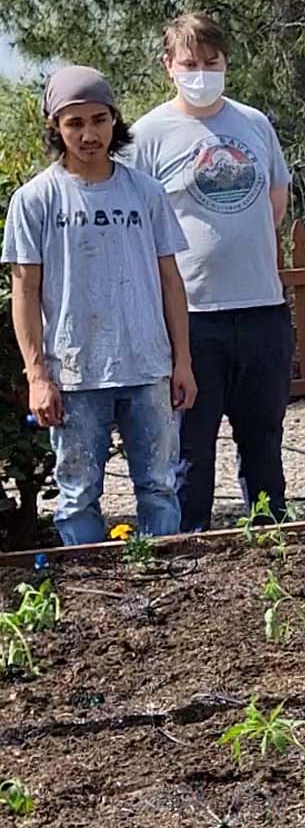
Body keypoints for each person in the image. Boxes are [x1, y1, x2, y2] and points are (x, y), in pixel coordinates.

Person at [3, 66, 196, 546]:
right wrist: (37, 376)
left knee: (159, 489)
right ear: (55, 127)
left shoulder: (145, 193)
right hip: (74, 374)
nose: (88, 134)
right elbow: (24, 292)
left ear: (114, 121)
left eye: (98, 119)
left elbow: (171, 280)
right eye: (74, 123)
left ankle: (164, 585)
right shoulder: (35, 201)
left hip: (147, 367)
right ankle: (92, 595)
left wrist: (182, 362)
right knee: (77, 496)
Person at [128, 10, 292, 529]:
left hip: (262, 308)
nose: (201, 72)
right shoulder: (147, 134)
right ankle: (192, 543)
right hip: (192, 317)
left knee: (263, 438)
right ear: (169, 66)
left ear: (226, 62)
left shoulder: (254, 123)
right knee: (190, 447)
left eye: (211, 62)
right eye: (190, 63)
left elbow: (276, 197)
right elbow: (137, 223)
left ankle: (270, 537)